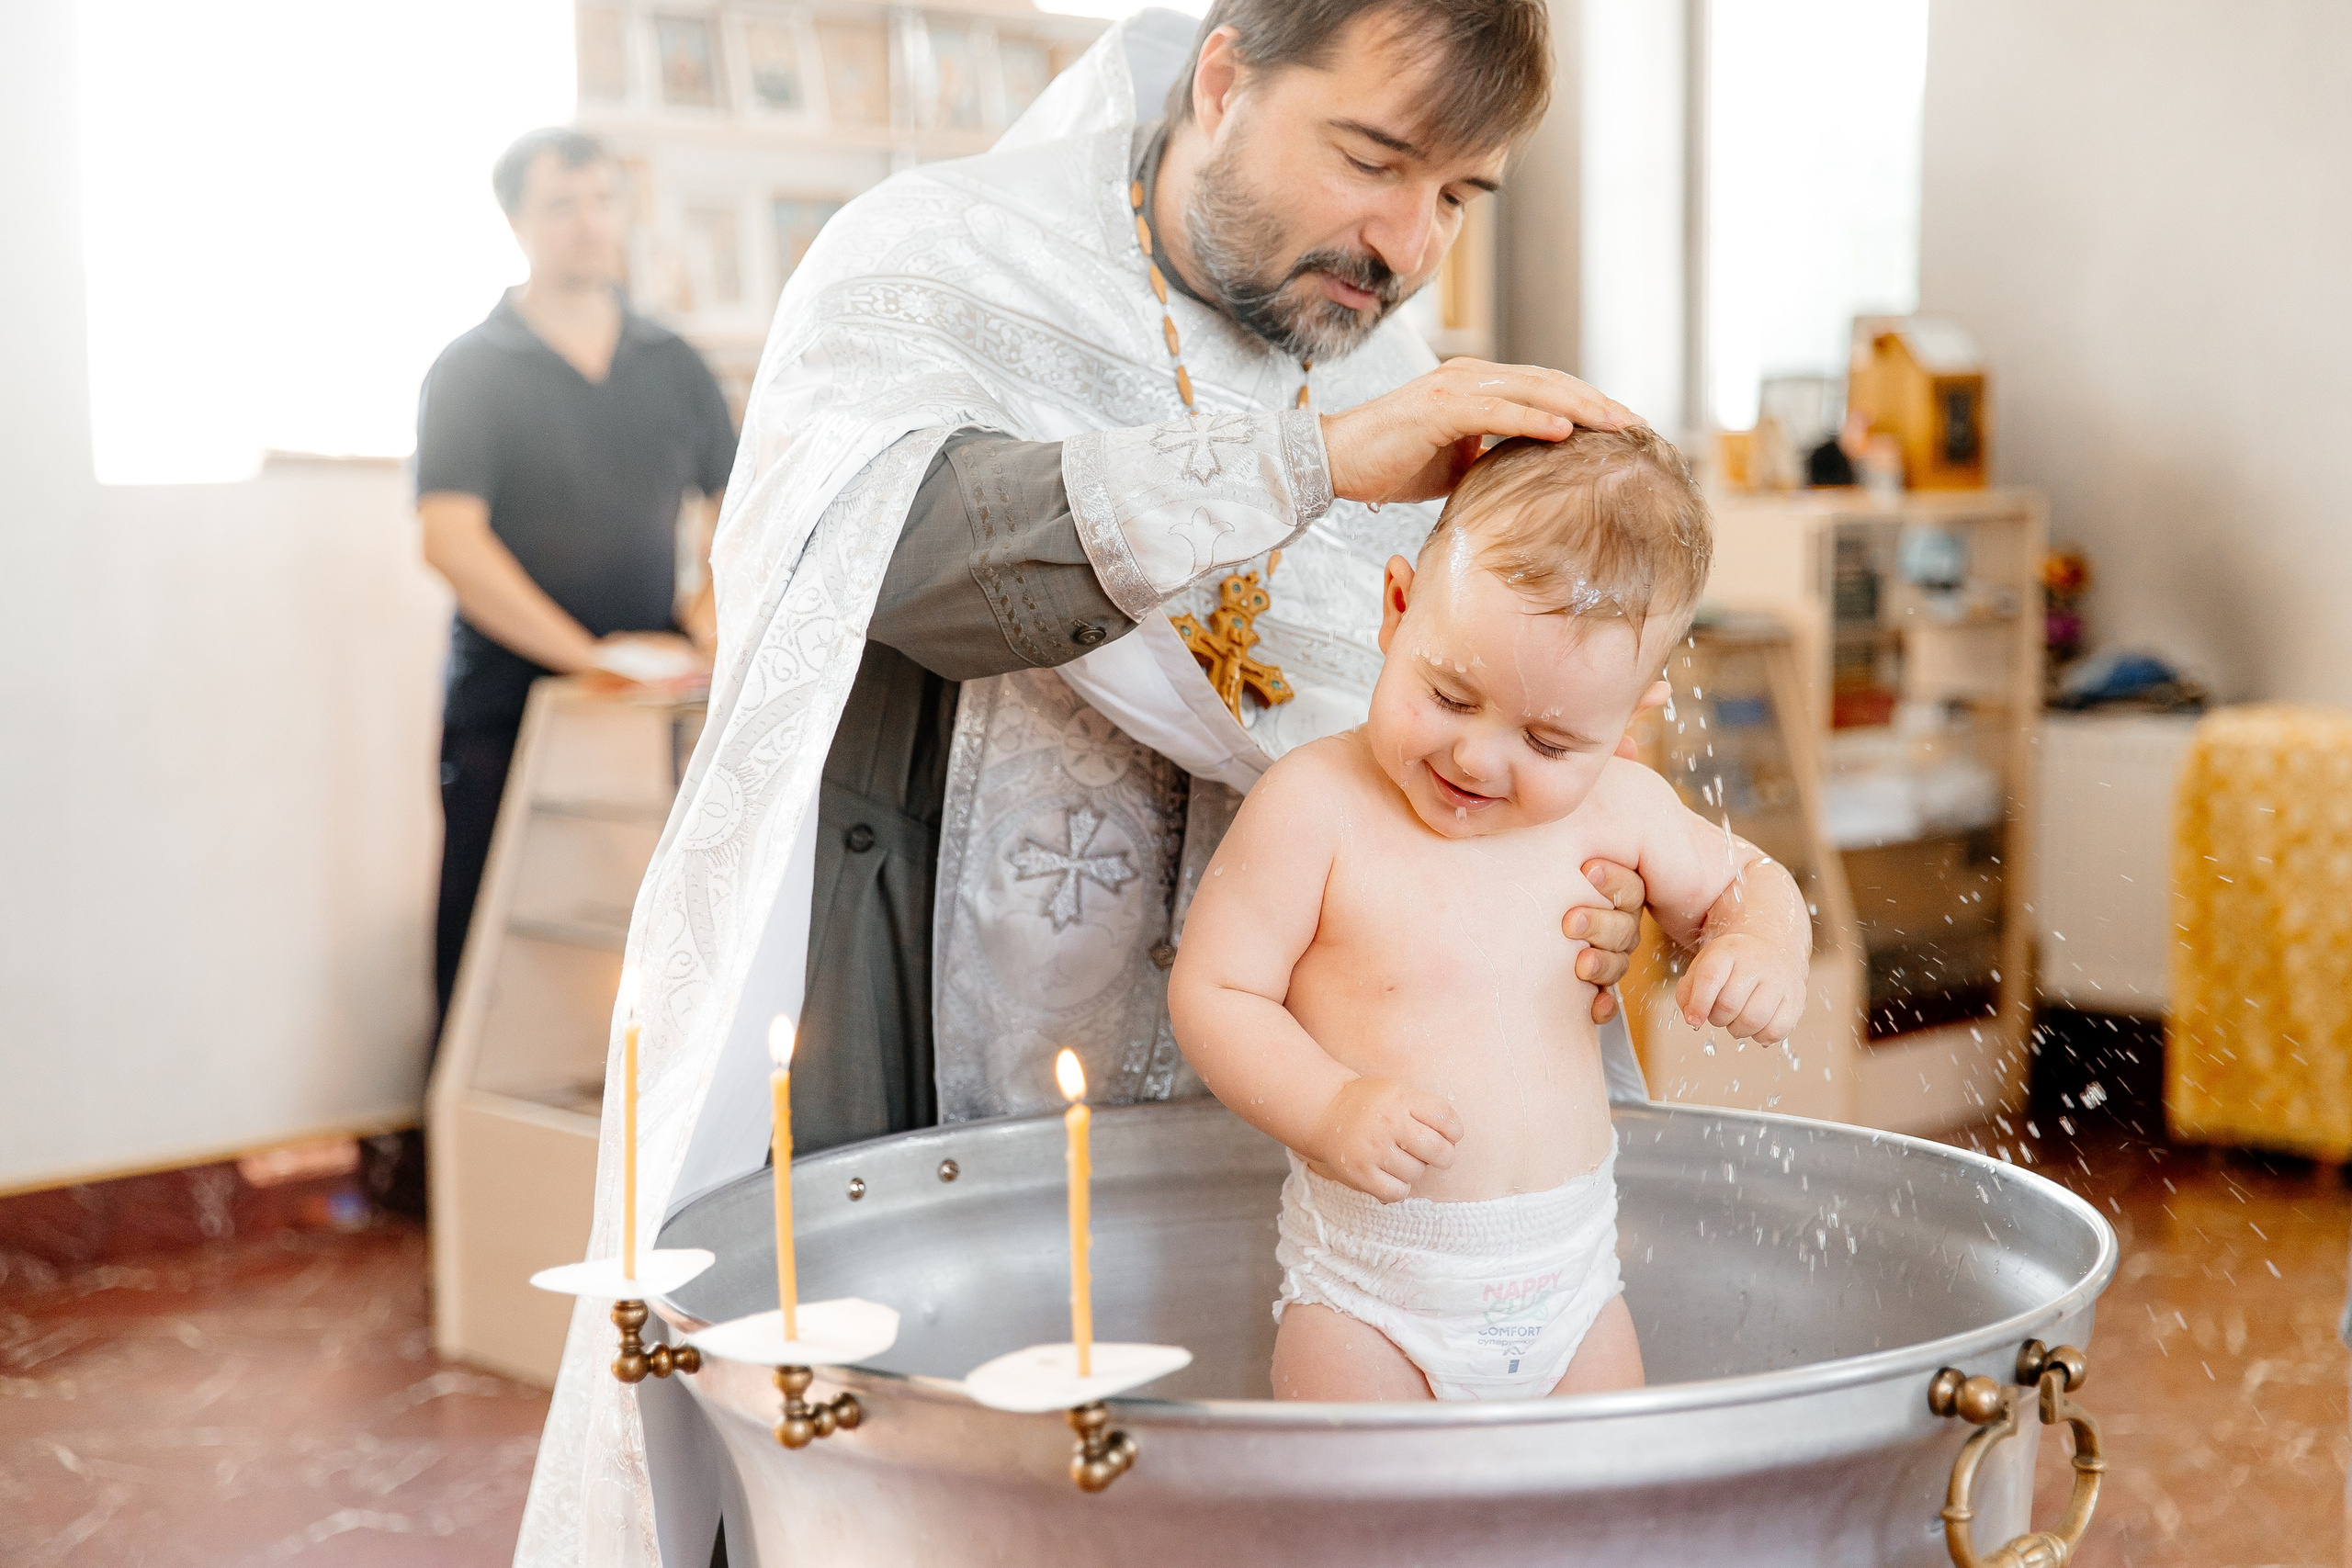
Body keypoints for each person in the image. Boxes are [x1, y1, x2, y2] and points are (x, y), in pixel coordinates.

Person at [520, 6, 1673, 1560]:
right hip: (938, 1050)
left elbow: (1451, 750)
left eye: (1460, 196)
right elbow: (881, 561)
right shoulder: (942, 260)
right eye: (1373, 159)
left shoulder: (1395, 368)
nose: (1407, 246)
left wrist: (1551, 905)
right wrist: (1308, 460)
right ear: (1225, 77)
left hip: (1283, 1129)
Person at [1170, 431, 1812, 1402]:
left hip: (1575, 1284)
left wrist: (1761, 939)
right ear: (1396, 608)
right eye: (1449, 695)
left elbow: (1751, 879)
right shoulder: (1314, 806)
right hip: (1372, 1296)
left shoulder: (1623, 808)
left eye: (1549, 743)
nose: (1477, 758)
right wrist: (1328, 1107)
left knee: (1613, 1490)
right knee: (1355, 1500)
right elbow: (1216, 990)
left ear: (1628, 717)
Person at [415, 128, 737, 1038]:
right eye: (562, 205)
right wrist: (587, 658)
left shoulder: (673, 362)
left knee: (640, 928)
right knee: (483, 936)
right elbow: (449, 542)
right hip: (509, 703)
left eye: (603, 201)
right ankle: (453, 1128)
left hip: (650, 705)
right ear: (517, 222)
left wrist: (703, 622)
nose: (589, 224)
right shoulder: (471, 369)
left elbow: (739, 511)